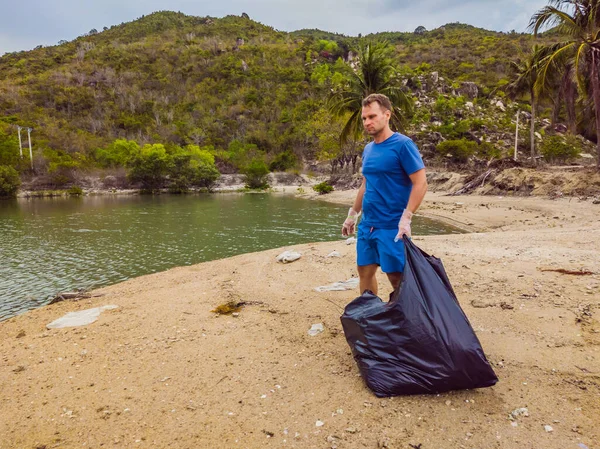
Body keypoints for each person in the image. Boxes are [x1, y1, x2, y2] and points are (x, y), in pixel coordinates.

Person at [342, 93, 428, 296]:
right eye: (364, 118)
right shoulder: (369, 149)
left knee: (396, 276)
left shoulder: (403, 145)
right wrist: (352, 215)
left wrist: (406, 218)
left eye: (372, 117)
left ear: (387, 115)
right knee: (364, 271)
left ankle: (407, 317)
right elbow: (366, 183)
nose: (367, 122)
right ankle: (370, 314)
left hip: (392, 225)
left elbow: (421, 183)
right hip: (368, 225)